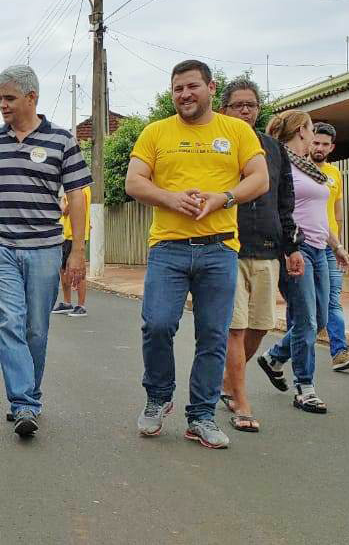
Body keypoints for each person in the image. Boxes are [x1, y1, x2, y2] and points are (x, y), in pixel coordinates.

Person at [124, 60, 269, 449]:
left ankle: (202, 415)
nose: (184, 94)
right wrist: (170, 198)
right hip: (167, 248)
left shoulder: (236, 131)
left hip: (219, 248)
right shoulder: (156, 132)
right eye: (178, 89)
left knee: (213, 334)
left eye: (192, 86)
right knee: (157, 325)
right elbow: (134, 181)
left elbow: (260, 178)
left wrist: (224, 198)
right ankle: (158, 397)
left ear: (210, 87)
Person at [0, 64, 91, 437]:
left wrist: (77, 250)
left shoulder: (61, 140)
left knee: (36, 328)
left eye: (9, 98)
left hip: (45, 247)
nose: (3, 105)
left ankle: (29, 397)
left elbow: (76, 195)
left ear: (31, 97)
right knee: (9, 322)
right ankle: (24, 402)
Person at [216, 79, 302, 434]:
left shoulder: (273, 149)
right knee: (235, 327)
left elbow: (285, 201)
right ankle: (241, 400)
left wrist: (292, 247)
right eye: (238, 105)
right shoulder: (216, 144)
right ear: (224, 110)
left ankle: (227, 382)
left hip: (268, 248)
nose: (245, 111)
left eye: (251, 105)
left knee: (261, 324)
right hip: (228, 246)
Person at [255, 111, 349, 414]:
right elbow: (276, 209)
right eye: (311, 129)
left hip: (321, 249)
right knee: (306, 320)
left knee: (320, 319)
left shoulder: (310, 168)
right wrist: (287, 248)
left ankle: (274, 357)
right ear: (301, 131)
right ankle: (305, 388)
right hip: (297, 250)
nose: (314, 136)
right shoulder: (280, 163)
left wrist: (337, 246)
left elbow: (321, 215)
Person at [310, 122, 349, 371]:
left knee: (332, 300)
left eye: (324, 144)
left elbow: (337, 212)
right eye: (315, 142)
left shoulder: (335, 173)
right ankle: (282, 353)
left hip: (330, 247)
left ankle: (340, 352)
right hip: (306, 245)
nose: (319, 148)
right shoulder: (298, 170)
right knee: (308, 305)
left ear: (332, 147)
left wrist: (338, 244)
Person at [52, 185, 92, 317]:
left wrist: (62, 203)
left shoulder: (80, 189)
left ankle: (81, 305)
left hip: (75, 236)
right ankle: (67, 302)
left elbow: (66, 210)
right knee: (63, 269)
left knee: (77, 270)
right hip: (66, 234)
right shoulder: (72, 190)